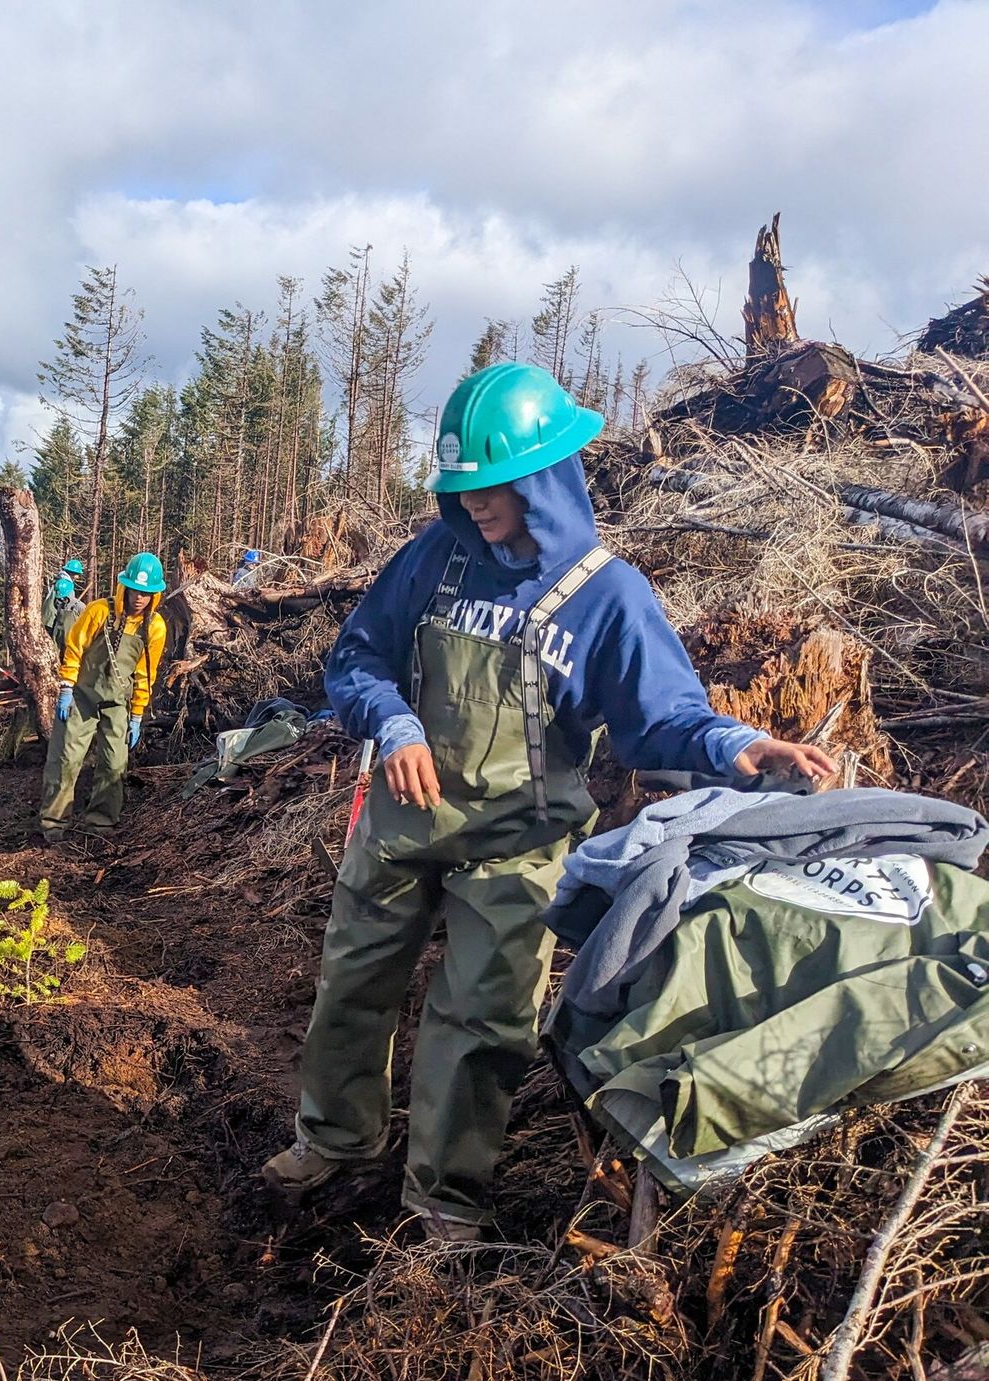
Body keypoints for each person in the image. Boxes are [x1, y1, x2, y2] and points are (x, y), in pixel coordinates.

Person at [260, 363, 835, 1241]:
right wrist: (396, 726)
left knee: (482, 1021)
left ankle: (443, 1200)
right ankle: (336, 1140)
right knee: (353, 984)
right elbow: (357, 659)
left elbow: (665, 716)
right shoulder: (434, 558)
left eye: (493, 486)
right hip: (397, 828)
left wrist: (739, 745)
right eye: (463, 488)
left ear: (546, 478)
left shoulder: (609, 597)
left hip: (517, 850)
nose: (477, 504)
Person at [37, 552, 168, 843]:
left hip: (118, 703)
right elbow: (74, 647)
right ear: (125, 586)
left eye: (146, 594)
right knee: (66, 759)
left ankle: (100, 825)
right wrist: (67, 687)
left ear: (154, 595)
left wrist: (136, 715)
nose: (139, 599)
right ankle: (53, 824)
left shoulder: (155, 627)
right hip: (81, 698)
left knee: (114, 763)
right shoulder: (99, 611)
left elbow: (147, 673)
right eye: (135, 590)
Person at [41, 558, 89, 633]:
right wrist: (83, 608)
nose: (78, 577)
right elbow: (63, 602)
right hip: (52, 620)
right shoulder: (65, 584)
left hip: (49, 618)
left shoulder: (61, 580)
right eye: (77, 574)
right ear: (72, 573)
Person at [47, 575, 84, 646]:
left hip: (72, 644)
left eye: (62, 598)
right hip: (58, 642)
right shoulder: (59, 605)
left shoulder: (79, 606)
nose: (59, 601)